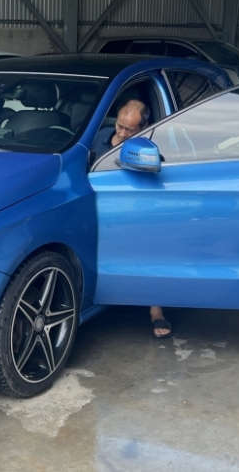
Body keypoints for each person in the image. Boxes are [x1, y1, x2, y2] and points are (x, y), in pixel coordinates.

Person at [92, 99, 172, 339]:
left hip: (135, 211)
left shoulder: (150, 147)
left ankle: (156, 309)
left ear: (144, 126)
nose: (122, 133)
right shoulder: (100, 137)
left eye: (129, 129)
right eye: (120, 126)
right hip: (98, 205)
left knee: (151, 245)